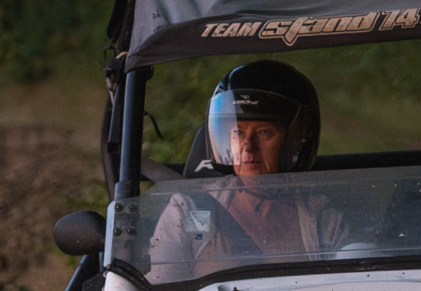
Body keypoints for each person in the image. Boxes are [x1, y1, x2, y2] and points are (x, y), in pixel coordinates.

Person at [148, 61, 345, 274]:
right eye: (237, 133)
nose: (248, 149)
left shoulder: (319, 219)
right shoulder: (192, 209)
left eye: (264, 133)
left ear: (296, 140)